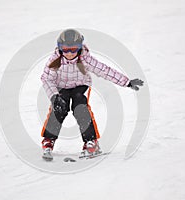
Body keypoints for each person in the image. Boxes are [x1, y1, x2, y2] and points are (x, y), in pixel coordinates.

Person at [40, 29, 144, 161]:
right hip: (61, 88)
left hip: (80, 86)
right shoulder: (55, 60)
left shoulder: (85, 58)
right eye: (66, 49)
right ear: (60, 48)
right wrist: (54, 96)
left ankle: (91, 142)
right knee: (59, 107)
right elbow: (46, 79)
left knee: (80, 107)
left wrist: (127, 82)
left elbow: (104, 70)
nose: (70, 53)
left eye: (74, 49)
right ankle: (48, 139)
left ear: (80, 47)